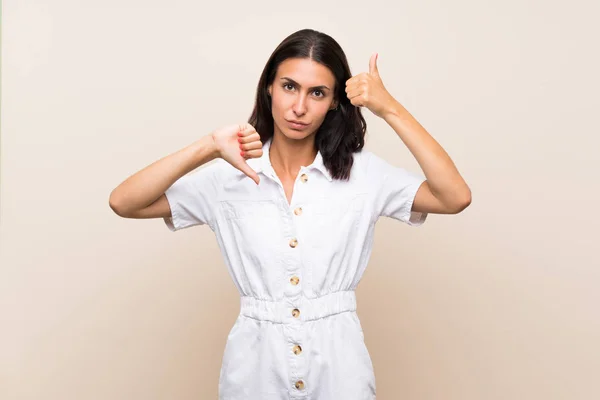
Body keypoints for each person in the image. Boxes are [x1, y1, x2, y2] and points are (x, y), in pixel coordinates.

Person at [109, 28, 471, 400]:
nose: (299, 107)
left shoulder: (363, 175)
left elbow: (454, 196)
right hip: (254, 370)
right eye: (289, 87)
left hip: (339, 369)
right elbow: (125, 201)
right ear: (268, 87)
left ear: (333, 102)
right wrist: (209, 147)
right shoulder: (227, 178)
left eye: (317, 93)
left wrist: (389, 108)